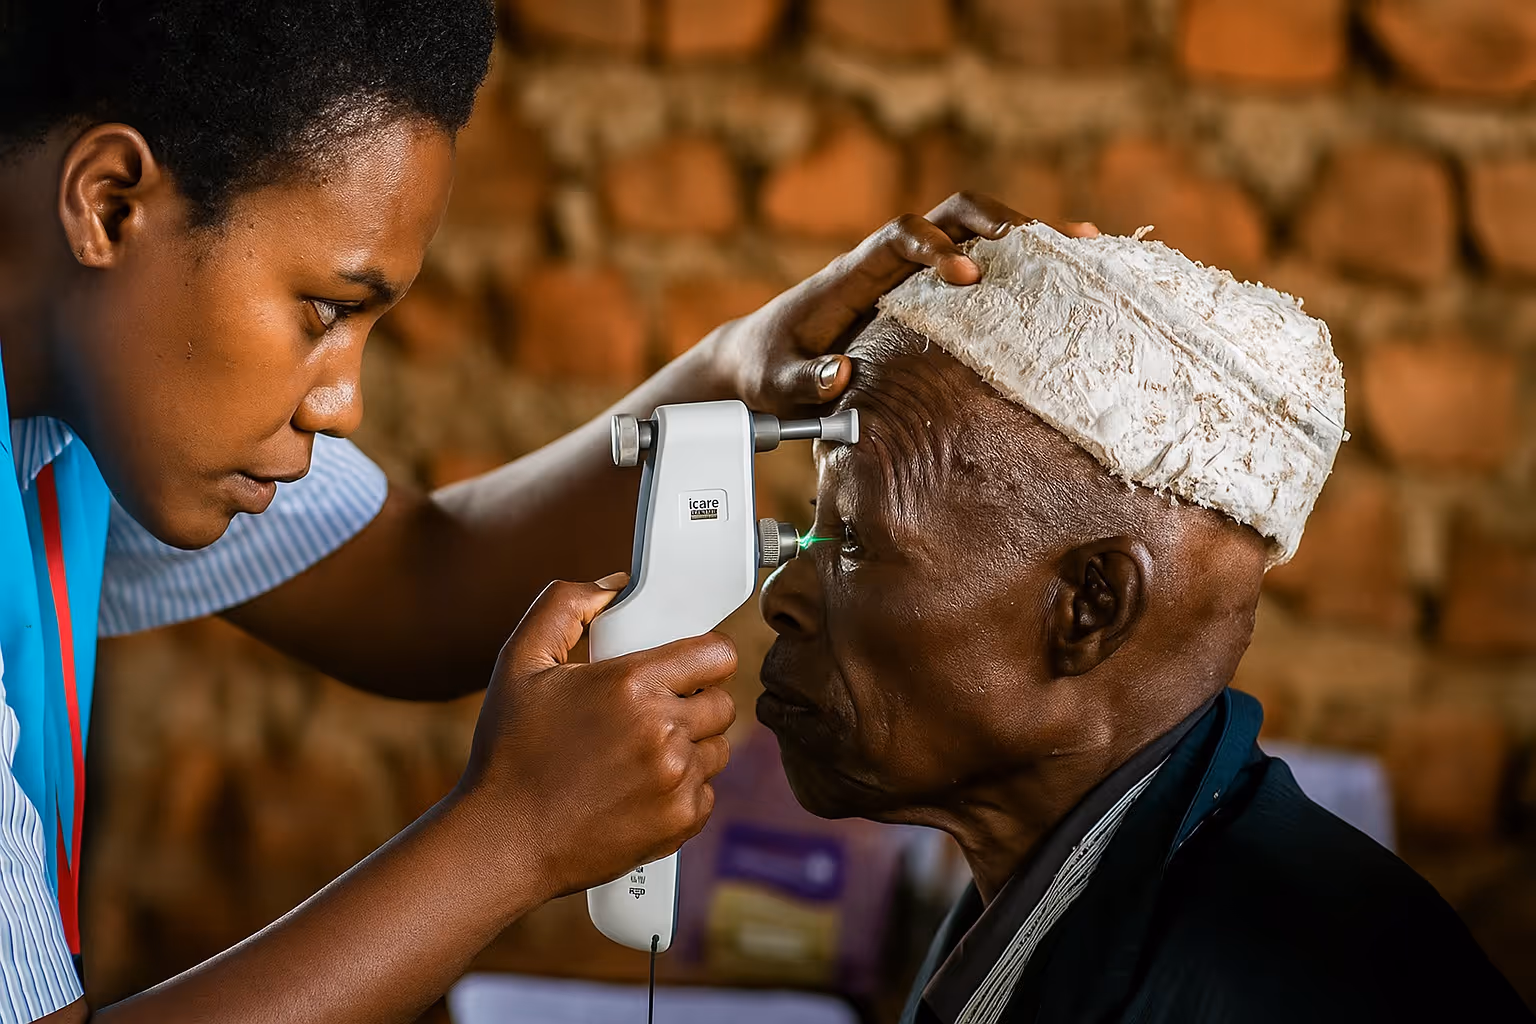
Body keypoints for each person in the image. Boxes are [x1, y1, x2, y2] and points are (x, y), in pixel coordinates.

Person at [0, 2, 1075, 1021]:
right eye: (323, 311)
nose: (342, 403)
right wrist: (511, 837)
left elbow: (415, 580)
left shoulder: (80, 415)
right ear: (108, 203)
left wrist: (734, 369)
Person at [757, 222, 1535, 1023]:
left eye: (853, 539)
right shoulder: (1075, 899)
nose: (781, 595)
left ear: (1091, 608)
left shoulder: (1279, 985)